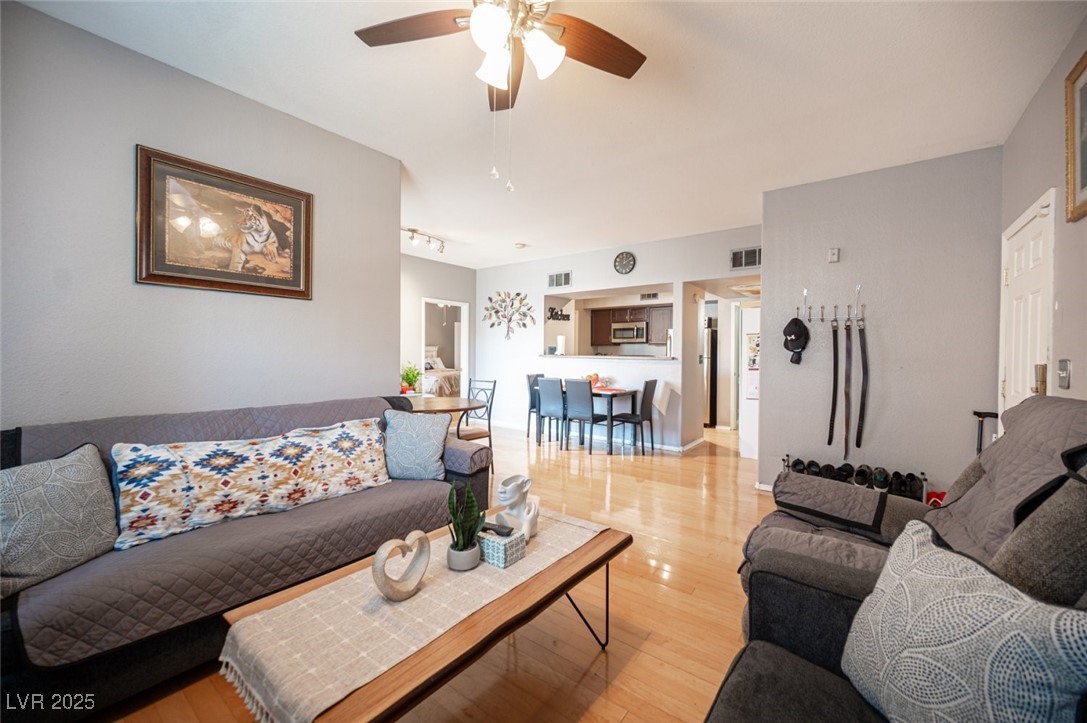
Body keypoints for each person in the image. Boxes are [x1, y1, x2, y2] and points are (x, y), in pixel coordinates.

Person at [496, 474, 539, 540]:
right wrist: (527, 524)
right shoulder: (502, 517)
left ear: (526, 486)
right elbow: (521, 542)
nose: (500, 490)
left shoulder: (532, 510)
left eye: (509, 486)